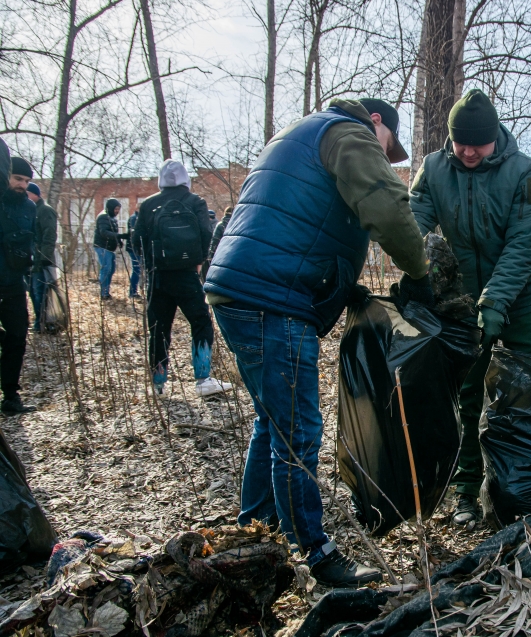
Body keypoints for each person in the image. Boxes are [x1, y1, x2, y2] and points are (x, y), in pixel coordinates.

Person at [204, 97, 433, 586]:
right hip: (273, 298)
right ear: (378, 123)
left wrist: (341, 286)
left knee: (274, 424)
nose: (386, 156)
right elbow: (385, 205)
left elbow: (295, 221)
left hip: (239, 288)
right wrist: (422, 270)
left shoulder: (300, 133)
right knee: (299, 432)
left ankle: (256, 532)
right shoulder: (350, 134)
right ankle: (316, 553)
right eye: (389, 146)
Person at [410, 88, 531, 527]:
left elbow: (523, 244)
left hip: (519, 299)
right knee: (468, 397)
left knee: (527, 390)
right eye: (460, 142)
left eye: (478, 143)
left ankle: (529, 489)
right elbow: (412, 223)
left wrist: (496, 302)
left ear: (495, 139)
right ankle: (466, 491)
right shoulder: (433, 169)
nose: (468, 152)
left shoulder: (524, 172)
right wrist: (417, 275)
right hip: (463, 302)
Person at [131, 160, 232, 398]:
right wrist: (197, 262)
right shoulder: (195, 202)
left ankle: (158, 384)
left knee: (158, 329)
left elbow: (137, 241)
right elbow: (206, 233)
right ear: (186, 179)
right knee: (201, 323)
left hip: (158, 279)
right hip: (187, 275)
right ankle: (203, 378)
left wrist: (150, 264)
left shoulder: (148, 204)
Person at [0, 149, 38, 415]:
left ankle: (10, 396)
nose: (22, 185)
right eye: (17, 178)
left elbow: (30, 242)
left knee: (17, 337)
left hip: (14, 283)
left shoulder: (30, 207)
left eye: (26, 180)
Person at [26, 182, 58, 331]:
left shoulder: (45, 210)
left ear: (35, 194)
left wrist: (45, 257)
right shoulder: (29, 209)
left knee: (41, 292)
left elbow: (49, 234)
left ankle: (44, 323)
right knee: (33, 292)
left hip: (42, 259)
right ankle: (39, 322)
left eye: (27, 193)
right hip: (30, 259)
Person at [93, 198, 127, 299]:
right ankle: (104, 293)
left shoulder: (112, 217)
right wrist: (119, 236)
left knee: (111, 270)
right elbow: (104, 232)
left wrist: (119, 241)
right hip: (103, 247)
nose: (117, 211)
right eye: (116, 209)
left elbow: (113, 231)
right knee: (106, 269)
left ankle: (106, 291)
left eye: (118, 209)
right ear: (111, 208)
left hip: (110, 248)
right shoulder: (103, 217)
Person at [200, 206, 232, 282]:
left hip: (220, 255)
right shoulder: (237, 224)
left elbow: (215, 241)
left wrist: (210, 256)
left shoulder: (220, 225)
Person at [125, 207, 141, 298]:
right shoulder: (134, 218)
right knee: (137, 269)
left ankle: (134, 291)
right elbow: (135, 233)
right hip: (133, 248)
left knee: (139, 269)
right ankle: (132, 292)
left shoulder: (138, 217)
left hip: (137, 248)